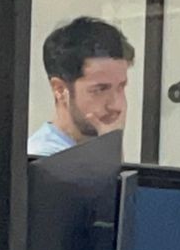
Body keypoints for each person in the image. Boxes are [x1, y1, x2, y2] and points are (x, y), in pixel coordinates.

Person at [28, 16, 134, 157]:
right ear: (60, 89)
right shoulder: (44, 159)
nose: (116, 105)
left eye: (121, 87)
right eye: (100, 90)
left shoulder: (90, 154)